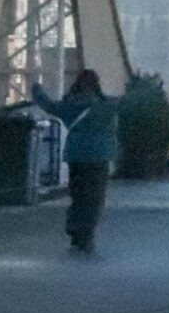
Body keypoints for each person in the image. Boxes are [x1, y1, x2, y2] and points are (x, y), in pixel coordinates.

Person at [37, 71, 117, 252]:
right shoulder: (106, 106)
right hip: (99, 157)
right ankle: (86, 233)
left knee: (78, 196)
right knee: (94, 198)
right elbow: (127, 104)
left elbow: (49, 106)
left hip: (77, 156)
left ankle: (75, 231)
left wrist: (37, 90)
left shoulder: (70, 104)